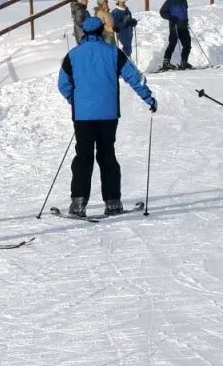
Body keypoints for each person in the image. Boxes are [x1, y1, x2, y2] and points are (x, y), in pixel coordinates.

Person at [58, 16, 157, 217]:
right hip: (108, 115)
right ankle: (112, 202)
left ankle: (78, 204)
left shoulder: (73, 55)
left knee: (83, 157)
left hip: (83, 117)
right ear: (102, 30)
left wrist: (75, 101)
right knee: (107, 156)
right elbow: (133, 77)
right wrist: (148, 98)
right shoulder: (113, 52)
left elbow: (63, 84)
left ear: (84, 32)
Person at [159, 0, 192, 70]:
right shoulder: (170, 1)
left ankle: (184, 62)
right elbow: (162, 12)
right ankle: (166, 62)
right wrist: (170, 17)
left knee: (187, 45)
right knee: (172, 44)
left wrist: (186, 21)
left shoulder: (184, 1)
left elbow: (185, 13)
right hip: (175, 27)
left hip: (184, 27)